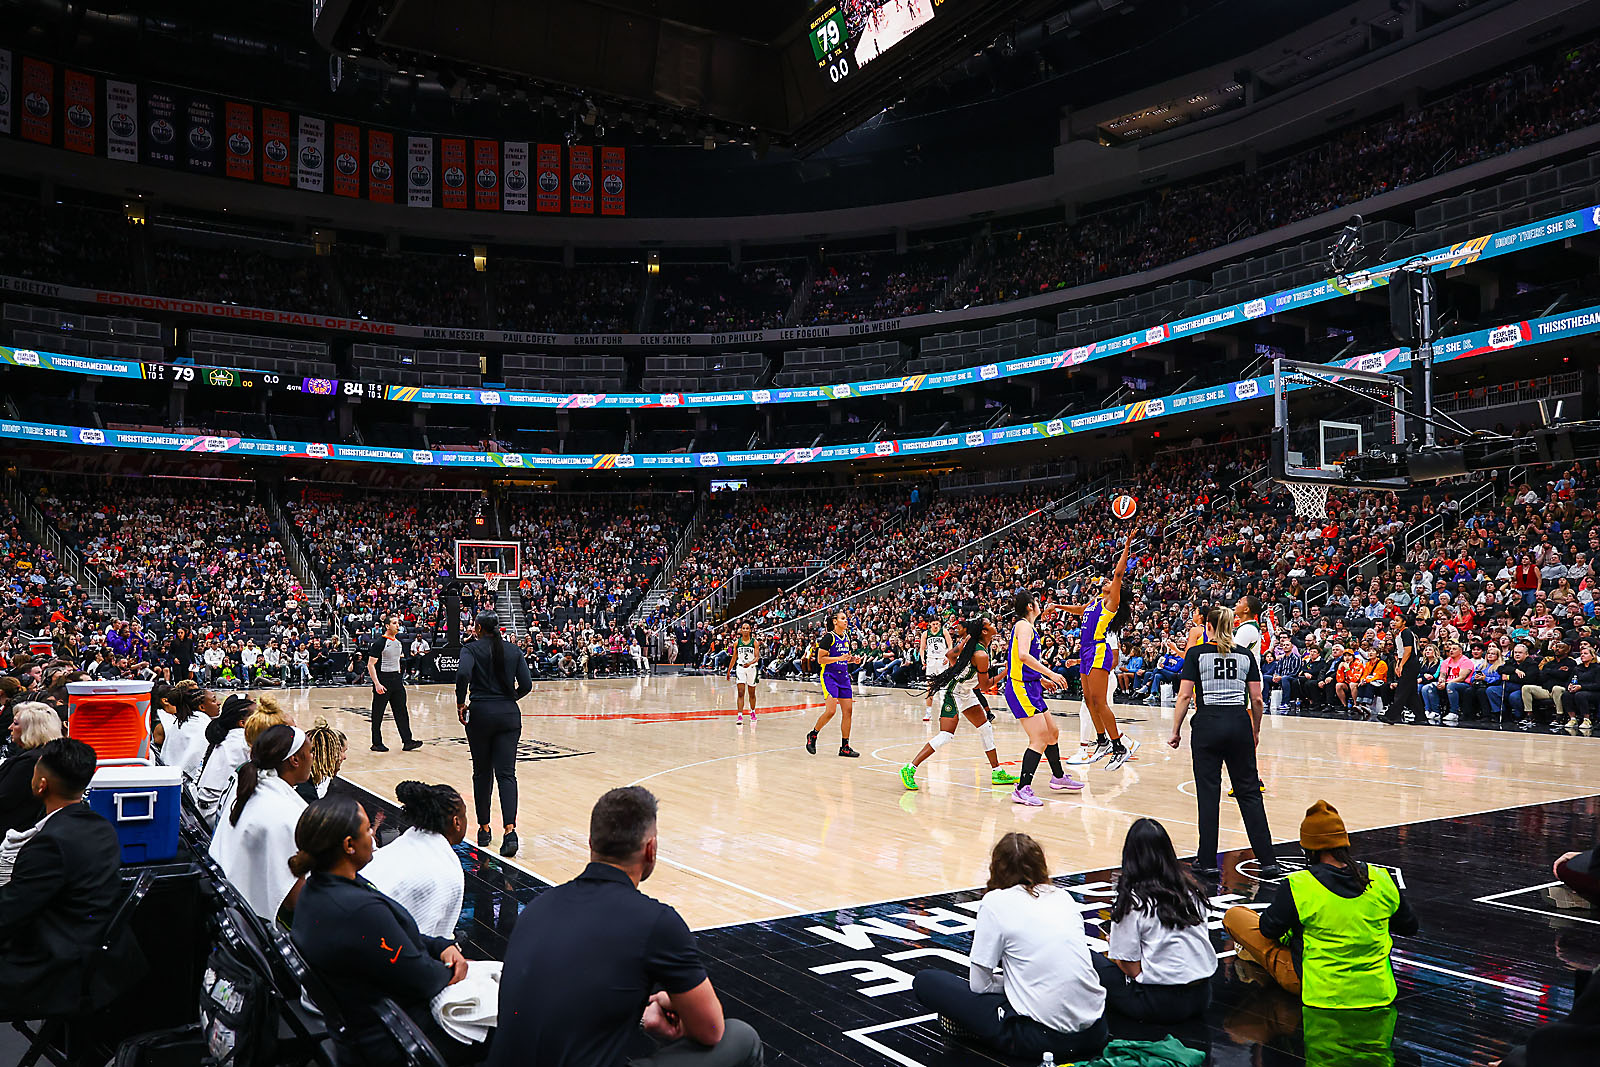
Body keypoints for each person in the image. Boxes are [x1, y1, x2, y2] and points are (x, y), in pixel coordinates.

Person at [490, 786, 763, 1067]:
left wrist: (643, 1017)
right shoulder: (657, 922)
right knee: (742, 1037)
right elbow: (712, 1030)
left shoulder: (538, 907)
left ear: (591, 844)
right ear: (651, 849)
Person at [289, 796, 485, 1065]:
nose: (373, 836)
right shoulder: (358, 911)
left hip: (364, 1026)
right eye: (367, 830)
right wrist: (455, 971)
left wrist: (440, 946)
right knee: (506, 1023)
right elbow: (422, 979)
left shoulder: (317, 888)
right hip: (393, 1042)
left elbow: (394, 939)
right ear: (348, 845)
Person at [911, 832, 1108, 1061]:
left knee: (926, 981)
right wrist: (1028, 984)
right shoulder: (1063, 897)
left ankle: (977, 1029)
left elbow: (980, 985)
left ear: (996, 868)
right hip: (1097, 1031)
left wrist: (1020, 985)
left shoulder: (995, 902)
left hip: (1043, 1041)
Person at [1224, 800, 1419, 1005]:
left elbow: (1268, 930)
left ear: (1309, 849)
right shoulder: (1381, 878)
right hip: (1377, 991)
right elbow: (1409, 927)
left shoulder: (1300, 885)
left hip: (1318, 988)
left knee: (1235, 916)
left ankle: (1250, 955)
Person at [0, 738, 140, 1018]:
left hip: (59, 968)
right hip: (93, 953)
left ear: (41, 785)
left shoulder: (50, 845)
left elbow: (7, 915)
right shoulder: (100, 825)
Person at [1168, 605, 1279, 877]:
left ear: (1208, 627)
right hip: (1239, 723)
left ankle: (1207, 860)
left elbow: (1184, 696)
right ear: (1231, 627)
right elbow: (1257, 699)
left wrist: (1176, 730)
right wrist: (1255, 729)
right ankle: (1268, 860)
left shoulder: (1196, 654)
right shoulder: (1245, 656)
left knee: (1208, 794)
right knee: (1249, 793)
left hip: (1207, 724)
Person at [1095, 818, 1217, 1022]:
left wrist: (1115, 950)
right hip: (1202, 996)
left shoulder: (1133, 901)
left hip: (1159, 1004)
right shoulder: (1191, 891)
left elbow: (1132, 969)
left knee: (1092, 961)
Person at [900, 617, 1029, 791]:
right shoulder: (981, 654)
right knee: (946, 735)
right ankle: (909, 768)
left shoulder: (976, 645)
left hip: (965, 691)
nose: (994, 625)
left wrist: (961, 663)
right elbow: (985, 686)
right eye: (990, 624)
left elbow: (950, 655)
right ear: (984, 631)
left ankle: (997, 772)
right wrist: (1007, 671)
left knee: (985, 728)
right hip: (953, 692)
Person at [210, 724, 313, 922]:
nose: (312, 757)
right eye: (310, 752)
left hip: (227, 904)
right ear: (294, 760)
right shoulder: (283, 813)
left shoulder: (249, 786)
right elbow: (294, 899)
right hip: (252, 920)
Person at [1061, 528, 1140, 770]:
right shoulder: (1095, 602)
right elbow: (1080, 609)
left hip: (1097, 650)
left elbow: (1118, 573)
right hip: (1085, 652)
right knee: (1088, 700)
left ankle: (1119, 746)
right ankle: (1103, 741)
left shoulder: (1111, 603)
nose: (1106, 581)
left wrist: (1126, 545)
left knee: (1099, 701)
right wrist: (1057, 606)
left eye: (1110, 582)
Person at [457, 611, 533, 858]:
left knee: (482, 773)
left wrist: (460, 702)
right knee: (507, 774)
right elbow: (527, 685)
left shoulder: (470, 649)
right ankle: (510, 832)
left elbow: (463, 674)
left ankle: (484, 829)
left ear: (478, 628)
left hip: (480, 714)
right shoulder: (513, 650)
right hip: (508, 715)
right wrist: (509, 699)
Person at [361, 781, 468, 939]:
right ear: (457, 822)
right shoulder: (447, 869)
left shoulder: (405, 842)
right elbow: (428, 940)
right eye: (465, 815)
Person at [1002, 592, 1076, 807]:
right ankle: (1022, 788)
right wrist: (1051, 674)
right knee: (1039, 738)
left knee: (1052, 732)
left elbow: (1020, 660)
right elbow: (1023, 655)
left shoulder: (1028, 627)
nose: (1039, 604)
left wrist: (1040, 679)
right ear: (1029, 606)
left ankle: (1058, 777)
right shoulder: (1023, 626)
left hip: (1031, 685)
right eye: (1037, 601)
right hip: (1020, 688)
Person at [0, 703, 64, 834]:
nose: (10, 727)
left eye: (15, 723)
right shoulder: (51, 755)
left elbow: (4, 798)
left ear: (31, 729)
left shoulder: (29, 763)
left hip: (14, 833)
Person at [806, 611, 862, 758]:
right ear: (835, 621)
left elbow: (844, 658)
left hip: (843, 677)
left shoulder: (846, 637)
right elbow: (820, 659)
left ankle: (845, 747)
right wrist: (839, 658)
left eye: (846, 619)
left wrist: (853, 660)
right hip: (829, 676)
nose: (846, 621)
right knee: (831, 711)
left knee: (848, 711)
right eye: (843, 618)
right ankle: (813, 734)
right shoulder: (828, 637)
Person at [193, 694, 255, 824]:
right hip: (214, 813)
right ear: (242, 723)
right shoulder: (243, 742)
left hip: (205, 808)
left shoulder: (228, 735)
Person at [368, 614, 421, 753]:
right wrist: (377, 684)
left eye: (398, 623)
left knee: (401, 711)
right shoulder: (380, 643)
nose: (397, 625)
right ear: (387, 626)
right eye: (394, 623)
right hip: (383, 680)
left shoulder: (398, 643)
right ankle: (376, 743)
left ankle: (407, 741)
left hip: (397, 680)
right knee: (378, 713)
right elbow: (370, 665)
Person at [297, 718, 349, 802]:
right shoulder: (306, 792)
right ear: (331, 753)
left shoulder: (316, 780)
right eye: (343, 751)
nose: (345, 757)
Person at [727, 623, 760, 726]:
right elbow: (734, 657)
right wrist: (729, 670)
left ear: (750, 630)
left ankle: (753, 712)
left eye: (747, 628)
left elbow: (757, 657)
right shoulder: (737, 642)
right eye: (743, 628)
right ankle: (740, 715)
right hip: (740, 668)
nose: (745, 630)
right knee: (740, 692)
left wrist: (750, 663)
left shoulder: (755, 642)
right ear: (741, 630)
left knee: (751, 693)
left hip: (751, 668)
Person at [921, 616, 950, 723]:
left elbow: (950, 645)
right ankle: (928, 713)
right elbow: (922, 648)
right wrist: (922, 658)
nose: (936, 626)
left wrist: (948, 656)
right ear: (929, 624)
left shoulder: (944, 632)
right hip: (931, 661)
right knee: (930, 688)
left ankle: (944, 713)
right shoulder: (926, 634)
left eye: (937, 624)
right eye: (933, 624)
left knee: (944, 688)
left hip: (942, 660)